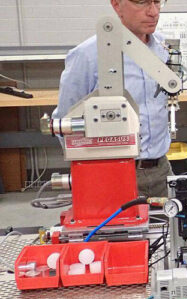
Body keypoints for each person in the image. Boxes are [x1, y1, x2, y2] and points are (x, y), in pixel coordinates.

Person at [52, 0, 172, 197]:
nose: (153, 12)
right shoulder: (88, 55)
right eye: (142, 2)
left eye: (157, 1)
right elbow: (64, 123)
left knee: (169, 227)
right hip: (111, 173)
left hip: (161, 171)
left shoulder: (163, 48)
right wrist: (92, 169)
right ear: (116, 5)